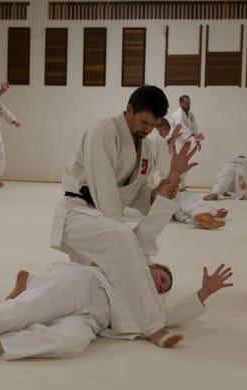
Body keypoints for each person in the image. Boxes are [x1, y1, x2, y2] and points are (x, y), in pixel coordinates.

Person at [0, 189, 233, 362]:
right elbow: (151, 227)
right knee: (22, 313)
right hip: (79, 285)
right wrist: (169, 189)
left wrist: (202, 294)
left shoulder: (150, 307)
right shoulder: (126, 261)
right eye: (159, 276)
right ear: (146, 264)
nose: (158, 284)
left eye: (163, 287)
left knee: (66, 344)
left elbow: (169, 319)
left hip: (94, 321)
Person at [50, 85, 198, 348]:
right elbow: (105, 189)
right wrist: (124, 238)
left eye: (153, 125)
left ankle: (28, 285)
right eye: (143, 122)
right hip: (78, 213)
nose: (147, 129)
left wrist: (157, 193)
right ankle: (153, 327)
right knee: (121, 243)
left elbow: (137, 192)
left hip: (102, 222)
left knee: (86, 288)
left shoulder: (148, 145)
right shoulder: (103, 131)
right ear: (128, 109)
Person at [147, 118, 227, 230]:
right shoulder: (157, 139)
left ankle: (205, 213)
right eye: (165, 135)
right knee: (182, 197)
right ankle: (204, 212)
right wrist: (175, 178)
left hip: (132, 201)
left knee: (177, 196)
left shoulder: (144, 138)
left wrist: (171, 139)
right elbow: (165, 173)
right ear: (162, 129)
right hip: (143, 202)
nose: (165, 137)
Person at [169, 95, 205, 189]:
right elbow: (181, 127)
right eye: (186, 103)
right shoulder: (177, 114)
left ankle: (181, 185)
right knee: (176, 165)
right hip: (176, 142)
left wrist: (197, 141)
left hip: (185, 142)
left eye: (189, 103)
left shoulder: (191, 114)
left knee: (184, 164)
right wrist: (193, 135)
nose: (188, 105)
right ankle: (173, 184)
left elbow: (194, 127)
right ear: (180, 103)